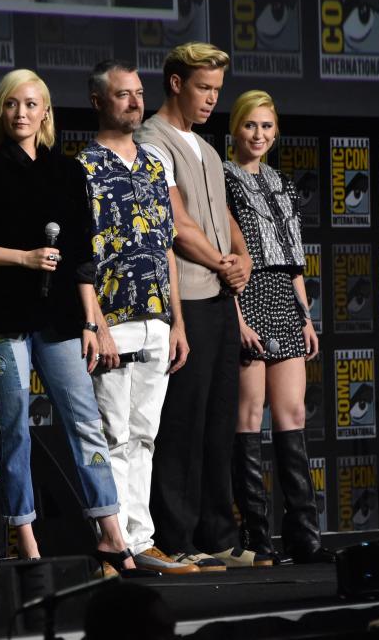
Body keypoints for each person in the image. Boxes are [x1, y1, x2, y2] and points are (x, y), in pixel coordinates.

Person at [0, 69, 139, 574]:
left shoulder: (67, 172)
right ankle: (27, 541)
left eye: (32, 104)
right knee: (13, 428)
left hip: (61, 320)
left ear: (46, 114)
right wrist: (23, 258)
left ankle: (111, 533)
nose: (22, 113)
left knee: (85, 421)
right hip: (5, 317)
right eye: (13, 104)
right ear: (2, 110)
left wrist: (91, 322)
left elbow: (82, 255)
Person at [135, 42, 256, 570]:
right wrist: (221, 263)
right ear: (177, 83)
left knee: (217, 421)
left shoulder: (206, 148)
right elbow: (175, 221)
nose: (211, 100)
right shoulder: (151, 138)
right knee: (181, 424)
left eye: (217, 90)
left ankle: (219, 534)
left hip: (220, 299)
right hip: (184, 296)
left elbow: (223, 212)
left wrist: (244, 256)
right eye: (203, 88)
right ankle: (178, 534)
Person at [75, 60, 198, 576]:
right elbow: (82, 251)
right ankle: (112, 542)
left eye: (138, 93)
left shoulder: (154, 163)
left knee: (145, 434)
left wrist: (178, 320)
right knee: (111, 436)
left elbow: (166, 244)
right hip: (113, 318)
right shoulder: (81, 165)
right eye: (122, 95)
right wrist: (95, 321)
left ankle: (141, 541)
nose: (134, 102)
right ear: (99, 101)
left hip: (156, 319)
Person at [223, 90, 334, 564]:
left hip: (286, 304)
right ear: (235, 129)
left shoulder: (284, 184)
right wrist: (238, 318)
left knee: (292, 417)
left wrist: (306, 316)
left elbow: (294, 261)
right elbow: (223, 258)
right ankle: (256, 537)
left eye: (267, 127)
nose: (259, 135)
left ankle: (304, 536)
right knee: (248, 419)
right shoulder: (222, 179)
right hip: (245, 298)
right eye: (251, 126)